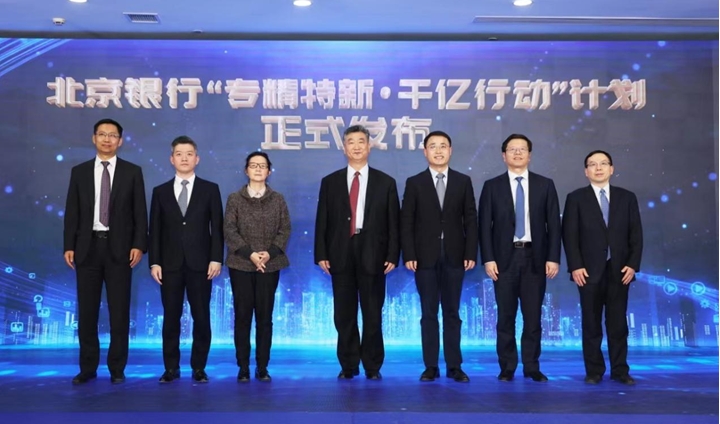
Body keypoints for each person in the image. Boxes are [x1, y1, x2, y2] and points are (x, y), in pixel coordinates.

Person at [63, 118, 147, 385]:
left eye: (112, 135)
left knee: (119, 312)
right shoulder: (80, 171)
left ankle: (117, 368)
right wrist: (69, 245)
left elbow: (139, 213)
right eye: (102, 134)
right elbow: (72, 212)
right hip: (87, 248)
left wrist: (138, 245)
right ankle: (88, 367)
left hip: (120, 250)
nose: (107, 139)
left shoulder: (132, 172)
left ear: (120, 141)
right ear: (94, 138)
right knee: (87, 312)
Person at [314, 124, 400, 380]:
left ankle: (372, 366)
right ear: (344, 148)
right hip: (340, 252)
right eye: (351, 142)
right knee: (344, 313)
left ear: (369, 146)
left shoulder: (386, 182)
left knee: (373, 312)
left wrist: (392, 254)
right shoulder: (330, 182)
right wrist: (321, 253)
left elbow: (394, 222)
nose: (356, 146)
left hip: (374, 252)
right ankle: (348, 364)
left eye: (361, 141)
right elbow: (322, 220)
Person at [478, 133, 561, 383]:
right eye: (512, 149)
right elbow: (484, 227)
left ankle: (532, 366)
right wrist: (488, 258)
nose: (517, 153)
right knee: (505, 316)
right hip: (504, 260)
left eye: (522, 149)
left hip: (536, 258)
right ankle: (507, 367)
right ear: (504, 156)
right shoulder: (492, 186)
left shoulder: (545, 184)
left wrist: (553, 258)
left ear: (529, 155)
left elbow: (553, 225)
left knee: (533, 317)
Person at [400, 130, 477, 383]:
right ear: (425, 152)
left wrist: (470, 251)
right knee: (429, 313)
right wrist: (409, 253)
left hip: (456, 256)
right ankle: (431, 366)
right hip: (424, 257)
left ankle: (455, 366)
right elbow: (407, 221)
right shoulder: (415, 182)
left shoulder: (463, 181)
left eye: (443, 145)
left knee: (452, 312)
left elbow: (471, 219)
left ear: (450, 150)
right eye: (433, 146)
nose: (438, 150)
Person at [562, 150, 643, 386]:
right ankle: (594, 371)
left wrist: (632, 265)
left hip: (620, 270)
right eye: (593, 164)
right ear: (586, 171)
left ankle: (620, 370)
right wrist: (575, 266)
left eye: (603, 163)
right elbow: (569, 235)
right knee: (591, 323)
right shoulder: (576, 198)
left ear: (612, 169)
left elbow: (636, 234)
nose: (598, 168)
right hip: (587, 272)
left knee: (618, 324)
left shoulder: (627, 197)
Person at [148, 136, 224, 384]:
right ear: (171, 159)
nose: (184, 158)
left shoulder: (210, 189)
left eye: (189, 154)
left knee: (201, 317)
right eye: (179, 154)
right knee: (171, 317)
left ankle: (199, 367)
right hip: (169, 265)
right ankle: (171, 368)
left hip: (201, 265)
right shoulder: (160, 191)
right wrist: (155, 262)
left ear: (197, 159)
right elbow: (154, 230)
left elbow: (217, 228)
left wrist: (216, 259)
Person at [225, 152, 290, 383]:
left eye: (262, 166)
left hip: (269, 265)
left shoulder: (278, 199)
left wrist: (269, 253)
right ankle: (243, 366)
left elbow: (285, 229)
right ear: (246, 170)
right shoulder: (235, 198)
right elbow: (229, 230)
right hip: (241, 264)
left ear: (269, 171)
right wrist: (250, 254)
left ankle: (262, 367)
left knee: (264, 318)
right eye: (253, 165)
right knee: (242, 317)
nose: (258, 169)